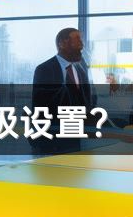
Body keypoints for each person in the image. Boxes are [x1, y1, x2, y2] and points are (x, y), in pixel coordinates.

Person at [31, 27, 95, 155]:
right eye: (77, 39)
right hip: (52, 140)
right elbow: (41, 106)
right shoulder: (44, 69)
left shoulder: (80, 69)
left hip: (76, 139)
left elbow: (88, 100)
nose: (81, 44)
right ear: (62, 43)